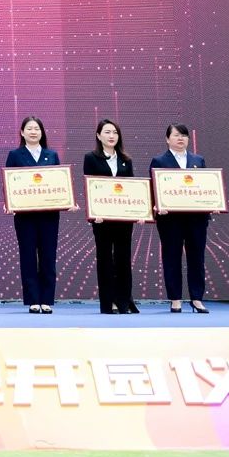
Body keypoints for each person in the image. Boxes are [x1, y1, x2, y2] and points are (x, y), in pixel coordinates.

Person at [150, 123, 211, 314]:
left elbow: (206, 187)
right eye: (176, 135)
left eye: (184, 135)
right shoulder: (159, 161)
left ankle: (197, 299)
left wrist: (212, 204)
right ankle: (175, 299)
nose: (180, 138)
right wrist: (157, 205)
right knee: (172, 257)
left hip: (196, 219)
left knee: (197, 258)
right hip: (170, 220)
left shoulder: (198, 160)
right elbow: (153, 189)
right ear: (167, 139)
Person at [5, 116, 63, 314]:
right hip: (25, 216)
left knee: (48, 256)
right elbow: (9, 183)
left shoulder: (52, 155)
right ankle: (32, 300)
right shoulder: (15, 155)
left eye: (37, 128)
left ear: (42, 132)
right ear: (22, 132)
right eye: (29, 128)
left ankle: (46, 299)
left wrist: (66, 200)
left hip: (49, 216)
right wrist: (9, 202)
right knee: (28, 256)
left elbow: (59, 183)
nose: (33, 132)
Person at [83, 119, 139, 315]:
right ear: (99, 136)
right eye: (107, 132)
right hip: (102, 219)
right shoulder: (91, 158)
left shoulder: (126, 159)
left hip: (124, 219)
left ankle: (124, 302)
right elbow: (90, 186)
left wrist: (139, 212)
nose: (111, 135)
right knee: (105, 259)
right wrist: (94, 213)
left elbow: (132, 188)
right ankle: (109, 303)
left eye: (114, 132)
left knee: (123, 259)